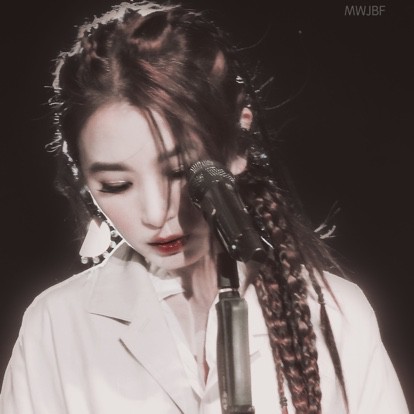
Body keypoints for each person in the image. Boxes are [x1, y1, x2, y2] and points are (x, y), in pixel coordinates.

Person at [0, 1, 409, 413]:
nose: (155, 214)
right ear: (84, 180)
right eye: (117, 185)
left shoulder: (337, 314)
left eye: (180, 172)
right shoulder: (56, 327)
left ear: (236, 144)